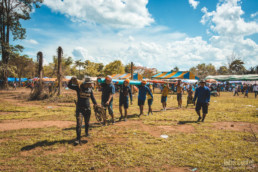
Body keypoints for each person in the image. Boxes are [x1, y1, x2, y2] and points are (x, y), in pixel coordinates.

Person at [68, 77, 97, 145]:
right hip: (79, 109)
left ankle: (86, 133)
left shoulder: (90, 89)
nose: (91, 84)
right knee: (79, 124)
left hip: (88, 109)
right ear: (87, 83)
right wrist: (71, 80)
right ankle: (78, 139)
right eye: (90, 83)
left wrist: (96, 104)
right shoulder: (79, 88)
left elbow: (92, 97)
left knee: (87, 123)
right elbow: (69, 86)